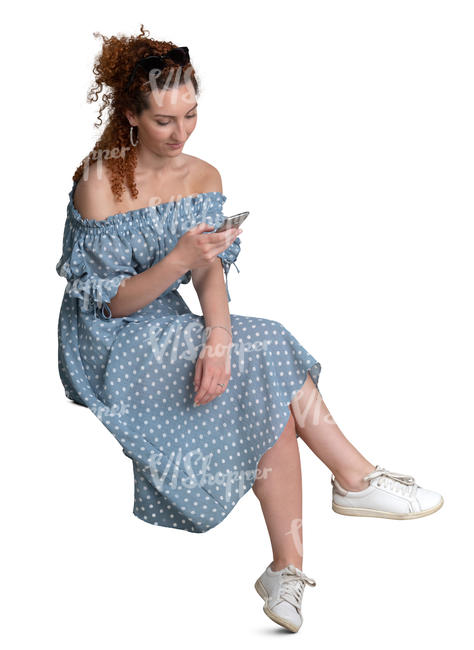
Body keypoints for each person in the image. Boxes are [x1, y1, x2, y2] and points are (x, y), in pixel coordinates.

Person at [56, 26, 444, 634]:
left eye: (190, 115)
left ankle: (286, 571)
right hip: (107, 338)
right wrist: (179, 260)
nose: (180, 133)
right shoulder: (101, 183)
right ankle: (354, 477)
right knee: (271, 352)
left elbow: (210, 269)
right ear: (130, 114)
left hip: (170, 321)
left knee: (261, 382)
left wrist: (219, 337)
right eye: (162, 120)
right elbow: (113, 306)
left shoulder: (204, 176)